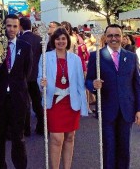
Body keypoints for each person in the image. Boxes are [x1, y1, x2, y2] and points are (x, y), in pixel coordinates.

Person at [86, 24, 140, 169]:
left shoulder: (131, 57)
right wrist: (93, 85)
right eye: (110, 35)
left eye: (117, 35)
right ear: (105, 37)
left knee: (124, 148)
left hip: (126, 110)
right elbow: (88, 80)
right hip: (106, 109)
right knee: (109, 147)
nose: (114, 38)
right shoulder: (96, 57)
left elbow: (137, 85)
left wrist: (138, 109)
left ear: (122, 38)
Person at [38, 27, 88, 169]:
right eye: (58, 39)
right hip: (54, 102)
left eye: (63, 39)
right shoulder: (46, 56)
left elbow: (79, 82)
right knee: (56, 138)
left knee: (70, 137)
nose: (61, 41)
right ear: (53, 41)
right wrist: (42, 83)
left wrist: (83, 105)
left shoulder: (75, 59)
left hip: (71, 102)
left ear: (68, 40)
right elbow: (39, 76)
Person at [0, 14, 32, 169]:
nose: (11, 29)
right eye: (8, 26)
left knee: (18, 137)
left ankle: (20, 165)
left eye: (15, 26)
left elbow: (26, 72)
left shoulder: (25, 47)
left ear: (19, 27)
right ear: (4, 26)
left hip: (18, 99)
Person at [19, 17, 44, 136]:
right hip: (37, 74)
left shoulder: (20, 40)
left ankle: (26, 128)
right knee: (37, 102)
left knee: (24, 103)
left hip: (24, 76)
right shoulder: (39, 39)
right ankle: (41, 126)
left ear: (20, 26)